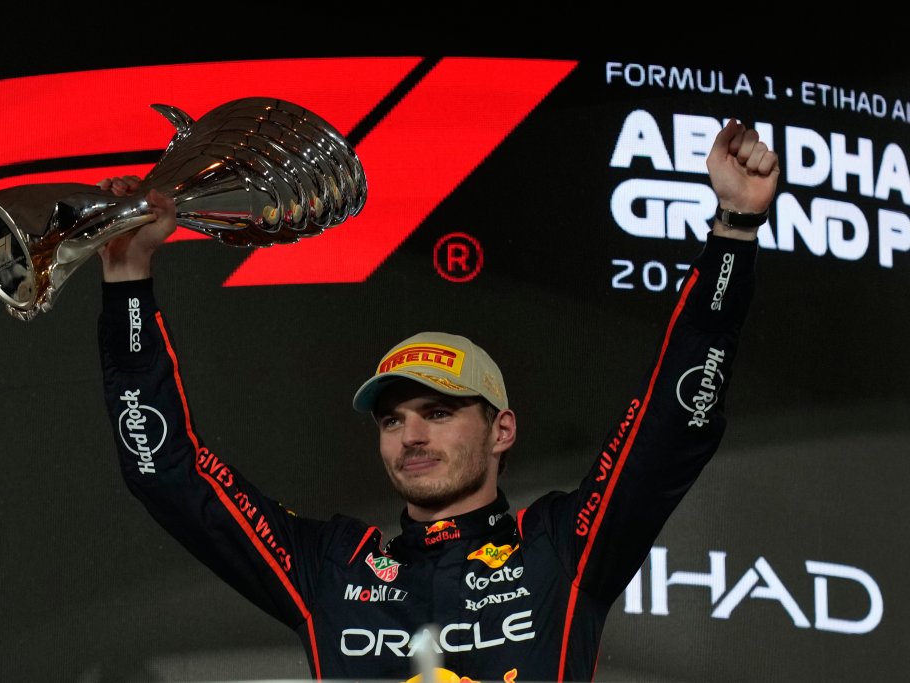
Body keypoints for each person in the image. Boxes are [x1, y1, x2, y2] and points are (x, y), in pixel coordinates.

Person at [97, 118, 779, 682]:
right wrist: (128, 279)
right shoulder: (331, 568)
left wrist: (735, 230)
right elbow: (165, 472)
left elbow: (673, 423)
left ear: (502, 429)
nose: (411, 436)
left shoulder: (558, 551)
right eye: (392, 419)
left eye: (440, 412)